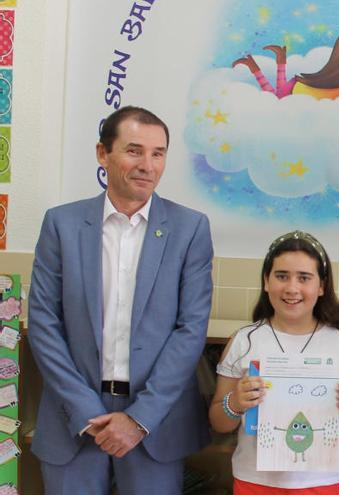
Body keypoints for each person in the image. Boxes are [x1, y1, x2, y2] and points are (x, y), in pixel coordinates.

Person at [28, 106, 214, 494]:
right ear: (102, 154)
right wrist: (85, 410)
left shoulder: (190, 229)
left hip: (154, 422)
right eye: (134, 151)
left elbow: (190, 330)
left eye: (158, 153)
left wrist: (140, 418)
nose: (148, 165)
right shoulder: (61, 225)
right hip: (73, 417)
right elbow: (44, 323)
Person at [209, 230, 339, 495]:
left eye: (304, 278)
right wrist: (235, 403)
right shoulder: (244, 341)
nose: (292, 288)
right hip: (255, 482)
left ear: (321, 286)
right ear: (266, 281)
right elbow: (218, 421)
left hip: (323, 482)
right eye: (282, 276)